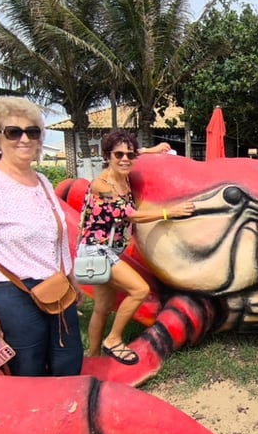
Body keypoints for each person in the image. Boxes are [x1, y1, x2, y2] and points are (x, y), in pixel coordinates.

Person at [0, 97, 84, 376]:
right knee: (27, 371)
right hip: (12, 293)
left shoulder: (42, 181)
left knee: (69, 362)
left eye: (32, 132)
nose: (25, 139)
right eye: (14, 132)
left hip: (55, 287)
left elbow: (56, 239)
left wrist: (71, 279)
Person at [77, 130, 194, 362]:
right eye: (118, 155)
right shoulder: (102, 185)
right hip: (97, 250)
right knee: (139, 290)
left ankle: (93, 357)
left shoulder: (124, 176)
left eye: (130, 155)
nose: (125, 159)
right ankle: (113, 339)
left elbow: (135, 153)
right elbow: (130, 215)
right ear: (107, 156)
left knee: (103, 307)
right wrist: (169, 212)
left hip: (109, 250)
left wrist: (153, 150)